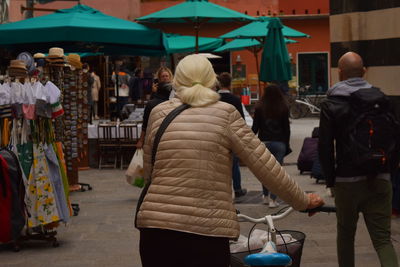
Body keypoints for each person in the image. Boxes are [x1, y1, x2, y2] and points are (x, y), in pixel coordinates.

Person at [136, 54, 324, 267]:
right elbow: (266, 166)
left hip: (155, 230)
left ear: (177, 80)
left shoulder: (158, 113)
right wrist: (303, 201)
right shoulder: (225, 113)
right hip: (205, 232)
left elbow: (151, 170)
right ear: (211, 80)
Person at [319, 51, 399, 267]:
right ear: (364, 72)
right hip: (380, 177)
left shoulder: (331, 103)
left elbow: (325, 146)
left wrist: (330, 181)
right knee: (383, 240)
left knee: (346, 235)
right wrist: (389, 171)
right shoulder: (383, 99)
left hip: (347, 181)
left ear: (339, 73)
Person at [252, 84, 291, 208]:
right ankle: (273, 200)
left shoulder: (259, 107)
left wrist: (251, 142)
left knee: (265, 171)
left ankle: (265, 195)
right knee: (276, 173)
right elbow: (287, 129)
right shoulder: (283, 107)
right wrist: (286, 143)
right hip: (279, 143)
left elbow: (255, 128)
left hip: (264, 143)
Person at [217, 72, 247, 199]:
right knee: (234, 163)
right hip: (231, 135)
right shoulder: (235, 100)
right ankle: (237, 188)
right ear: (230, 84)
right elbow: (241, 120)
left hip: (217, 134)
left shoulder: (214, 99)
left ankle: (221, 190)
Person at [136, 81, 173, 149]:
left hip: (153, 136)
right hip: (169, 137)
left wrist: (141, 140)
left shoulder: (151, 104)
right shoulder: (172, 104)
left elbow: (145, 124)